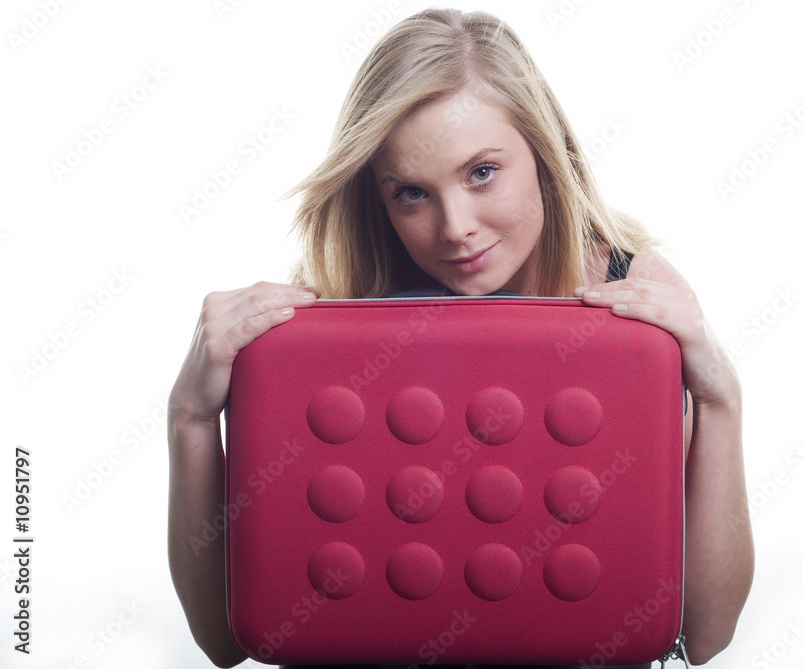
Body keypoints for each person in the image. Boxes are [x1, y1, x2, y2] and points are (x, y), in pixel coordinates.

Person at [167, 8, 753, 668]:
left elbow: (706, 634)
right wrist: (190, 417)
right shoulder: (324, 323)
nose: (455, 227)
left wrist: (720, 396)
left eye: (481, 172)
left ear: (544, 150)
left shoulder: (632, 299)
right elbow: (224, 643)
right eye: (411, 193)